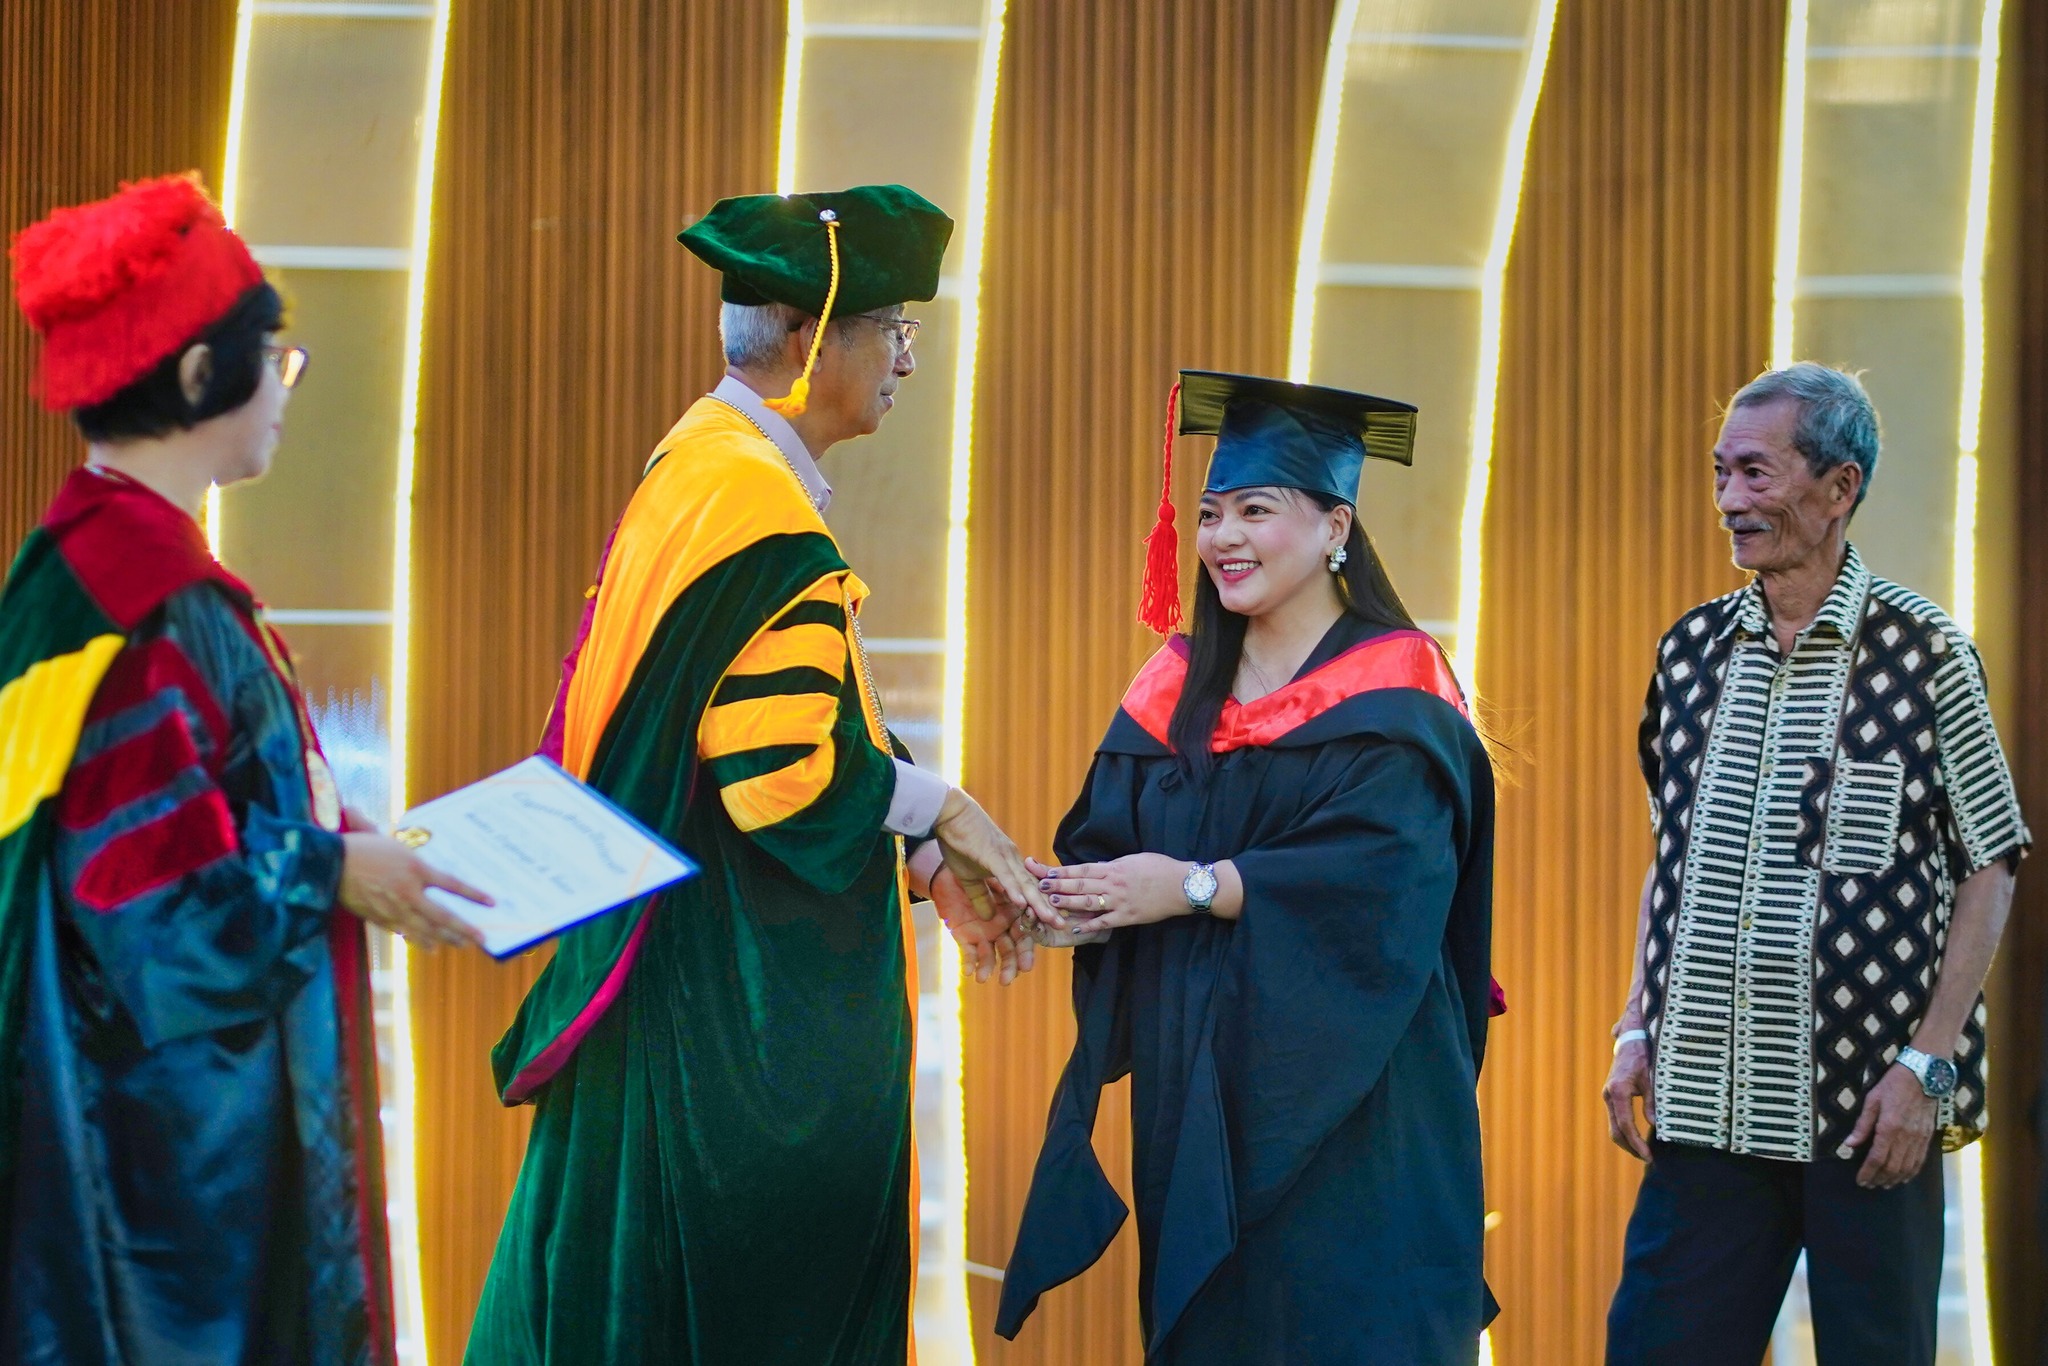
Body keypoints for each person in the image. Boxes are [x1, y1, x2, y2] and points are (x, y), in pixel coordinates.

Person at [469, 184, 1053, 1365]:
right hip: (723, 1024)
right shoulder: (753, 508)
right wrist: (941, 806)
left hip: (660, 977)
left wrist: (922, 849)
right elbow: (779, 772)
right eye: (890, 329)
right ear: (807, 336)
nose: (905, 360)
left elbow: (765, 715)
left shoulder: (698, 466)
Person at [0, 173, 488, 1365]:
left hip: (136, 1125)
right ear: (195, 377)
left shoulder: (88, 568)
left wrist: (320, 816)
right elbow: (150, 912)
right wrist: (329, 868)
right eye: (274, 359)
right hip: (163, 1175)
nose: (284, 388)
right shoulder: (148, 599)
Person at [995, 371, 1499, 1364]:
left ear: (1334, 526)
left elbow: (1381, 881)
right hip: (1198, 1095)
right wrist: (1056, 899)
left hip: (1358, 1098)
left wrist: (1189, 887)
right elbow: (1108, 845)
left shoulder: (1400, 689)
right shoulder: (1174, 687)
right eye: (1209, 513)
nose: (1223, 536)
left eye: (1255, 511)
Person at [1603, 363, 2029, 1366]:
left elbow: (1991, 862)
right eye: (1721, 472)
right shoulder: (1690, 652)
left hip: (1869, 1109)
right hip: (1703, 1104)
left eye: (1755, 473)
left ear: (1839, 487)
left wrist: (1927, 1064)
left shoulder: (1928, 653)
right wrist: (1634, 1022)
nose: (1728, 500)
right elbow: (1672, 855)